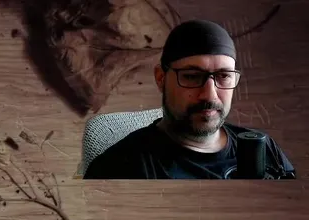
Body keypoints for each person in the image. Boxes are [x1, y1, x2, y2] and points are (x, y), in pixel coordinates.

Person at [83, 19, 295, 179]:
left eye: (223, 76)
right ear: (161, 78)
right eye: (192, 76)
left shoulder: (262, 148)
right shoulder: (119, 168)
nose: (210, 95)